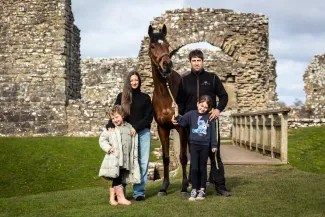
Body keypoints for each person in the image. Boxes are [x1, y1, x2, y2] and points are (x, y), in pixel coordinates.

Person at [174, 49, 232, 196]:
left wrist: (218, 110)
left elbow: (224, 96)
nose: (196, 63)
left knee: (215, 154)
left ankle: (220, 185)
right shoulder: (184, 80)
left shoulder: (212, 78)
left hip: (210, 122)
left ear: (203, 61)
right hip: (192, 124)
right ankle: (195, 186)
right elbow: (180, 102)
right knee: (194, 155)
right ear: (190, 62)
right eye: (193, 60)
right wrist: (177, 116)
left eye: (199, 60)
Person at [106, 71, 153, 201]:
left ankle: (139, 192)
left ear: (139, 81)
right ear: (128, 81)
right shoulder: (122, 97)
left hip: (142, 133)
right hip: (125, 135)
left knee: (143, 162)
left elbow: (148, 117)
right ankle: (121, 192)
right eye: (132, 80)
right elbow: (114, 112)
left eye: (136, 80)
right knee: (125, 163)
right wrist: (110, 125)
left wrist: (136, 127)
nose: (134, 82)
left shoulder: (145, 97)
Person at [173, 95, 217, 201]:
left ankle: (202, 190)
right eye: (201, 106)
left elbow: (212, 132)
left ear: (209, 108)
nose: (202, 109)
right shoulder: (191, 114)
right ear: (198, 104)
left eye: (205, 107)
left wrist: (214, 145)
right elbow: (181, 121)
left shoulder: (210, 117)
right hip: (193, 145)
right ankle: (194, 189)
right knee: (194, 168)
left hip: (205, 146)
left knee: (202, 168)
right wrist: (176, 110)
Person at [99, 105, 140, 206]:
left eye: (117, 117)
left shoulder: (129, 127)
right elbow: (102, 140)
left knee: (119, 176)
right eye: (112, 118)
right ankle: (121, 198)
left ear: (122, 115)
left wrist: (134, 130)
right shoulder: (111, 129)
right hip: (115, 158)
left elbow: (133, 138)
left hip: (126, 158)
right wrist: (109, 148)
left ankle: (112, 198)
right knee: (117, 176)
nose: (115, 120)